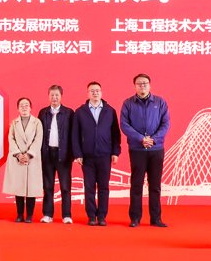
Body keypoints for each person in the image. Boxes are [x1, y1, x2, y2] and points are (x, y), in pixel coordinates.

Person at [120, 73, 170, 228]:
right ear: (135, 86)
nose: (142, 86)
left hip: (156, 149)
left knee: (155, 185)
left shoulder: (160, 102)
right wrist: (141, 138)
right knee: (136, 184)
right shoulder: (128, 103)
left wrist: (153, 139)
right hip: (137, 149)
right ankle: (135, 218)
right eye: (139, 83)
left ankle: (156, 219)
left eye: (145, 83)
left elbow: (165, 123)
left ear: (150, 85)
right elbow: (124, 125)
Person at [72, 82, 121, 227]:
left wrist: (115, 152)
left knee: (104, 187)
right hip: (87, 156)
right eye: (92, 91)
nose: (95, 93)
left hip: (105, 155)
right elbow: (75, 135)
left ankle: (102, 216)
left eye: (97, 90)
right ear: (87, 93)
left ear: (101, 92)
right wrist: (77, 154)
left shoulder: (109, 111)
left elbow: (115, 134)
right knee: (89, 188)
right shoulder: (80, 112)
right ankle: (91, 216)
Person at [3, 97, 44, 223]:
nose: (24, 107)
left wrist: (29, 154)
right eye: (21, 105)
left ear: (31, 108)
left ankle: (29, 215)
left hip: (32, 158)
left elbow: (38, 140)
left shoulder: (37, 122)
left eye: (26, 105)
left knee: (31, 188)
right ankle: (20, 214)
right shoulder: (14, 123)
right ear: (18, 108)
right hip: (18, 159)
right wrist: (18, 154)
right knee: (19, 187)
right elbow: (11, 139)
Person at [37, 84, 74, 224]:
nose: (54, 97)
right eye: (52, 95)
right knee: (47, 186)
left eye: (57, 95)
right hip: (47, 154)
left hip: (63, 155)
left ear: (61, 96)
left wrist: (73, 154)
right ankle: (47, 214)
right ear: (48, 96)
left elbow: (73, 135)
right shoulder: (43, 112)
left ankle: (66, 215)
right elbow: (38, 133)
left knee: (65, 187)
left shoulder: (69, 113)